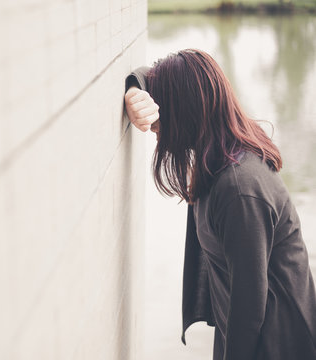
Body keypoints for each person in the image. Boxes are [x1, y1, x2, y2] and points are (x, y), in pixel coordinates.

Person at [124, 48, 316, 360]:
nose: (157, 128)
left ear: (185, 110)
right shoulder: (218, 156)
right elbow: (167, 74)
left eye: (162, 114)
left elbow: (249, 309)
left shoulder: (240, 189)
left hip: (275, 346)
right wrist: (137, 88)